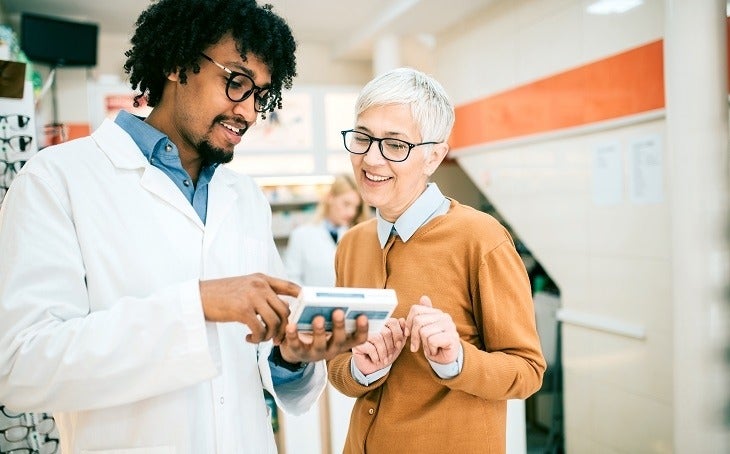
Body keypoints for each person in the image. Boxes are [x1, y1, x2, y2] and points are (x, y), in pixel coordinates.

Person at [0, 1, 368, 453]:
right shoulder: (56, 180)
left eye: (261, 96)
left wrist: (289, 357)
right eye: (236, 82)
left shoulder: (246, 198)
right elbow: (20, 367)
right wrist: (195, 305)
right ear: (177, 64)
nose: (250, 113)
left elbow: (251, 358)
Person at [328, 67, 547, 454]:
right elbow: (339, 370)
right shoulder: (351, 245)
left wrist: (457, 360)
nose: (370, 159)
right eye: (362, 138)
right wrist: (364, 369)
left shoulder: (482, 239)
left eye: (395, 145)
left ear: (433, 156)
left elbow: (527, 371)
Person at [285, 173, 370, 287]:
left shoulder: (359, 237)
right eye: (346, 204)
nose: (351, 213)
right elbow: (291, 279)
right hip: (312, 304)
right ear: (330, 197)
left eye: (356, 207)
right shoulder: (301, 235)